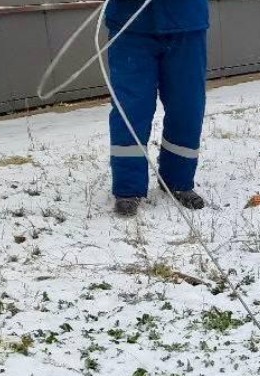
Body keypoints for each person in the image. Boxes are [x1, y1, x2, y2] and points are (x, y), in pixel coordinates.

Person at [105, 0, 209, 217]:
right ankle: (128, 188)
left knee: (187, 106)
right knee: (130, 110)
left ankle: (178, 180)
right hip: (130, 27)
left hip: (186, 22)